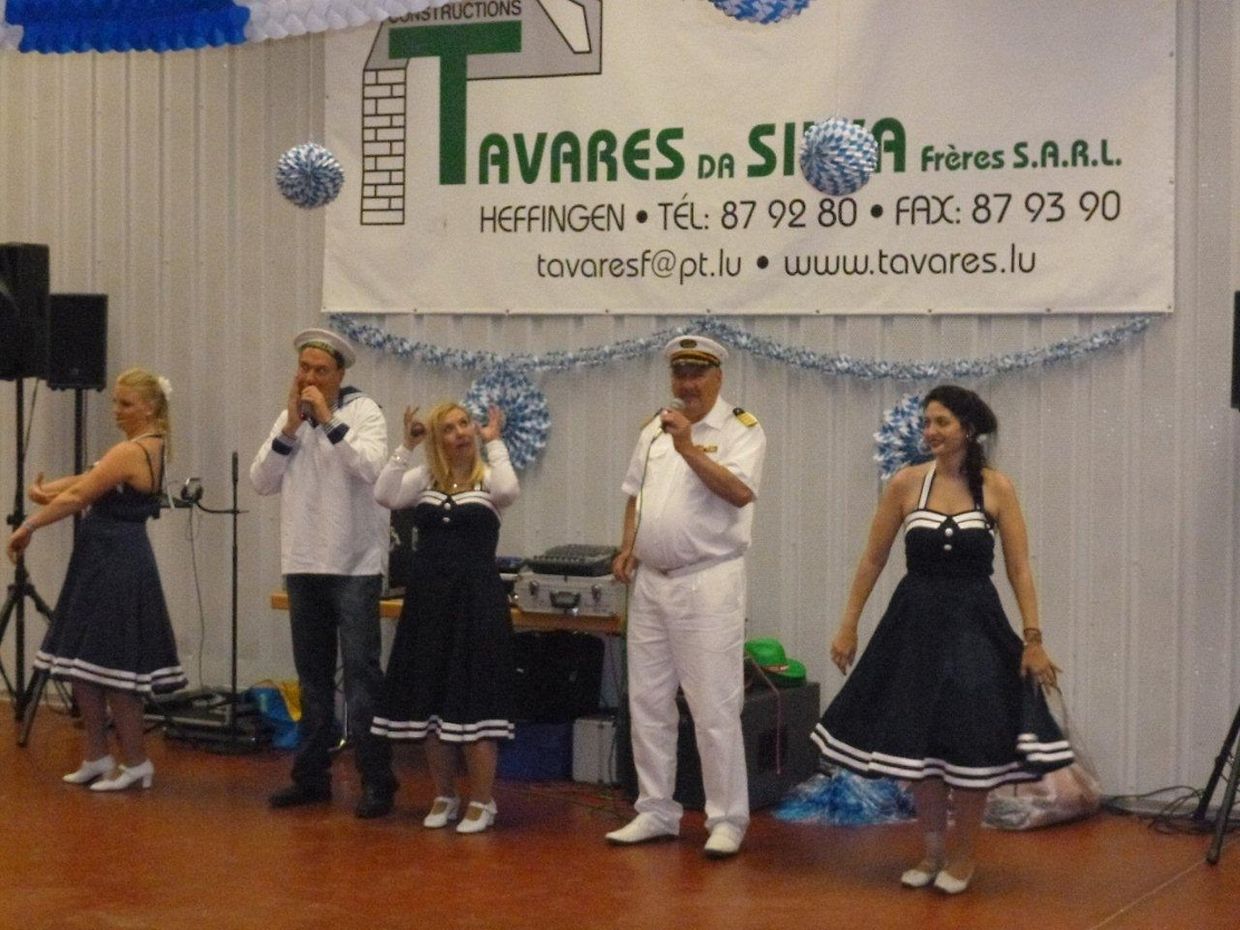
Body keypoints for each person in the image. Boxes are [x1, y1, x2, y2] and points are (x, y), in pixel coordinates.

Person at [812, 385, 1074, 894]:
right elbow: (873, 558)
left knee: (968, 744)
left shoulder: (997, 487)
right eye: (926, 423)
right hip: (915, 628)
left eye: (941, 422)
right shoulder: (905, 484)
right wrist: (848, 624)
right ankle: (932, 852)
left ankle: (964, 857)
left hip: (975, 627)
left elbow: (1019, 567)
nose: (930, 431)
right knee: (923, 747)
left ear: (967, 429)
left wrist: (1033, 637)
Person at [606, 334, 767, 859]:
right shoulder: (655, 427)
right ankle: (655, 809)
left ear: (718, 377)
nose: (687, 385)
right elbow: (635, 495)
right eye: (680, 374)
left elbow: (739, 492)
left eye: (698, 374)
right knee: (648, 702)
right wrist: (627, 546)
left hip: (708, 580)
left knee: (714, 706)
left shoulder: (742, 429)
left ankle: (726, 819)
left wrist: (689, 449)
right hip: (652, 582)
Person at [6, 367, 186, 791]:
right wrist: (48, 491)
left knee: (113, 668)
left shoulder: (134, 450)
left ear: (150, 407)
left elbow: (80, 495)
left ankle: (137, 762)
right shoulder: (141, 446)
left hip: (117, 563)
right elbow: (90, 479)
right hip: (101, 560)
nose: (116, 411)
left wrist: (29, 525)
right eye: (115, 402)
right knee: (84, 667)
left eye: (126, 404)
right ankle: (97, 755)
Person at [250, 327, 395, 815]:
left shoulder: (364, 412)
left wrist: (329, 421)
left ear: (339, 375)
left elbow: (371, 469)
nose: (309, 378)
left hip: (354, 564)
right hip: (303, 562)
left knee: (361, 677)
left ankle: (377, 782)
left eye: (320, 370)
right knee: (312, 678)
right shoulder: (289, 419)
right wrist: (290, 430)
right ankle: (311, 777)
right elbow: (260, 481)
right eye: (304, 368)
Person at [367, 400, 518, 833]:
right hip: (428, 605)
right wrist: (405, 446)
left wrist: (495, 442)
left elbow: (509, 491)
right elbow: (384, 494)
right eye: (448, 429)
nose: (460, 433)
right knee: (432, 706)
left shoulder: (488, 479)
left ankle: (482, 801)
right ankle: (444, 794)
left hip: (476, 604)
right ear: (437, 439)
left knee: (473, 707)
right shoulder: (424, 479)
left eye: (464, 424)